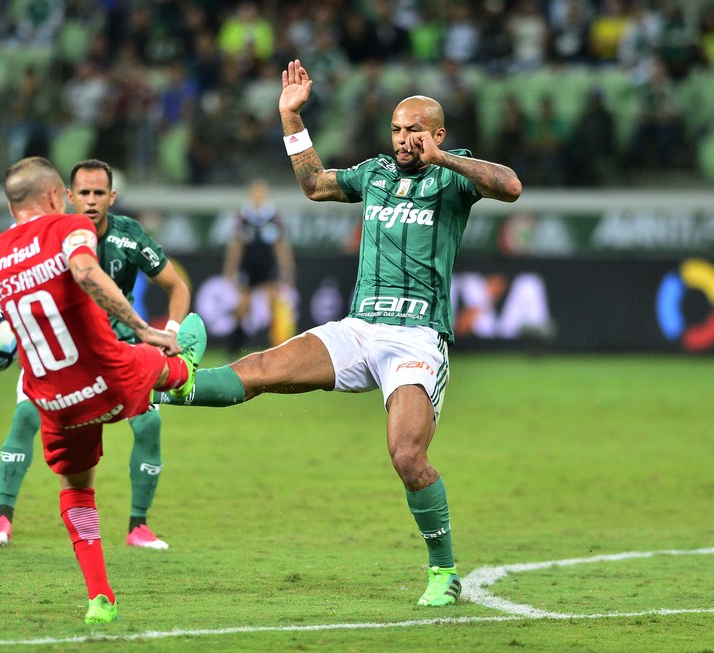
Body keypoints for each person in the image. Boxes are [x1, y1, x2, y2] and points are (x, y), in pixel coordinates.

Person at [156, 60, 521, 607]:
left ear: (438, 134)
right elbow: (313, 184)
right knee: (258, 370)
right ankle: (173, 384)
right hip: (358, 328)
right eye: (397, 130)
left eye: (415, 130)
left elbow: (511, 187)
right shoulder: (374, 173)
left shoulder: (453, 174)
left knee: (407, 457)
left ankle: (443, 571)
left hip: (417, 337)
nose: (403, 139)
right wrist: (289, 117)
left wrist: (442, 158)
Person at [0, 156, 206, 623]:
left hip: (57, 401)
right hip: (111, 374)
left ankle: (100, 595)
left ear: (11, 208)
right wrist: (143, 329)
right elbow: (85, 273)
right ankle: (184, 372)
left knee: (77, 490)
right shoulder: (68, 228)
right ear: (56, 196)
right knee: (177, 366)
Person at [222, 178, 296, 353]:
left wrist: (287, 268)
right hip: (248, 266)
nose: (258, 196)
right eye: (255, 193)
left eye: (261, 193)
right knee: (242, 307)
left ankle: (273, 347)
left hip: (267, 266)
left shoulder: (273, 217)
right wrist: (230, 269)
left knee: (272, 306)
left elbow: (281, 245)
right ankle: (235, 348)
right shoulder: (243, 217)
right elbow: (236, 246)